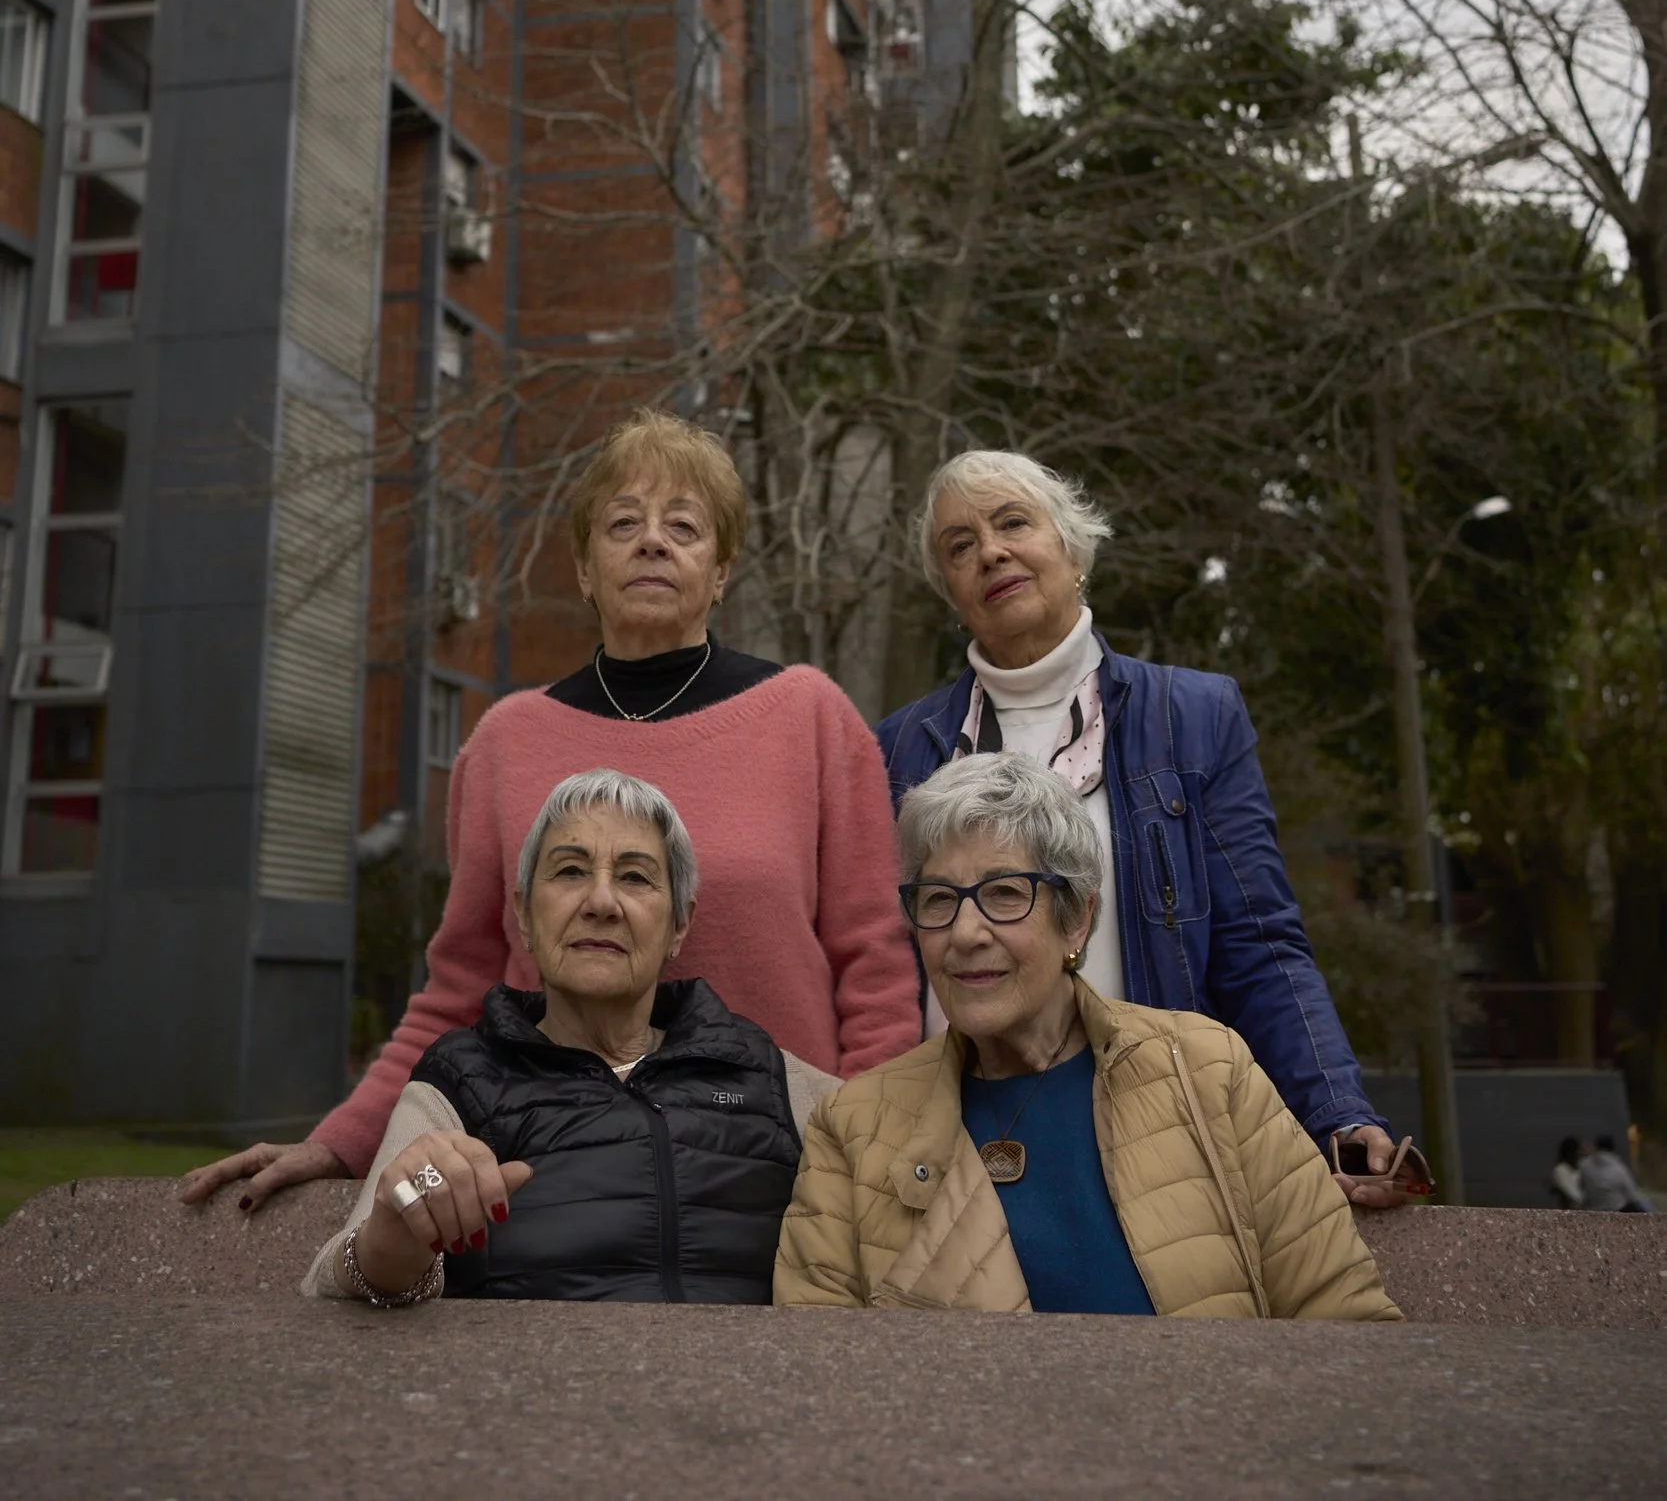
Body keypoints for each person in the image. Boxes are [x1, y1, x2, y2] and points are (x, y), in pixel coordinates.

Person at [185, 409, 918, 1214]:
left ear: (720, 570)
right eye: (622, 524)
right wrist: (343, 1141)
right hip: (556, 1172)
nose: (652, 541)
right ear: (581, 567)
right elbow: (459, 985)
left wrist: (874, 1141)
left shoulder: (808, 718)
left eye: (684, 526)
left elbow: (874, 969)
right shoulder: (507, 742)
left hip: (778, 1169)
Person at [874, 448, 1414, 1206]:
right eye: (958, 546)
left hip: (1156, 1138)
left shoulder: (1192, 718)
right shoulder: (898, 749)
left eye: (1012, 523)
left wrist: (1335, 1111)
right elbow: (875, 967)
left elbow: (1260, 944)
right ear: (952, 595)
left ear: (1072, 549)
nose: (989, 551)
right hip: (956, 1146)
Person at [775, 756, 1399, 1318]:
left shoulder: (1210, 1071)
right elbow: (820, 1376)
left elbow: (1342, 1322)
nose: (964, 932)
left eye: (1003, 894)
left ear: (1077, 918)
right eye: (938, 900)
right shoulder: (853, 1128)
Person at [306, 772, 825, 1304]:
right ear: (525, 915)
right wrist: (392, 1246)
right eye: (571, 871)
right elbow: (327, 1281)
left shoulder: (767, 1074)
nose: (601, 901)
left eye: (635, 878)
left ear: (679, 926)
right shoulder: (459, 1081)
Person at [1578, 1134, 1653, 1213]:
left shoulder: (1585, 1166)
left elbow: (1582, 1188)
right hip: (1617, 1209)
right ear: (1613, 1148)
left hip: (1594, 1208)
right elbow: (1632, 1195)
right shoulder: (1618, 1167)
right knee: (1644, 1202)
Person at [1549, 1136, 1587, 1208]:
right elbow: (1573, 1195)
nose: (1582, 1154)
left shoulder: (1584, 1168)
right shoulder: (1560, 1170)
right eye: (1580, 1151)